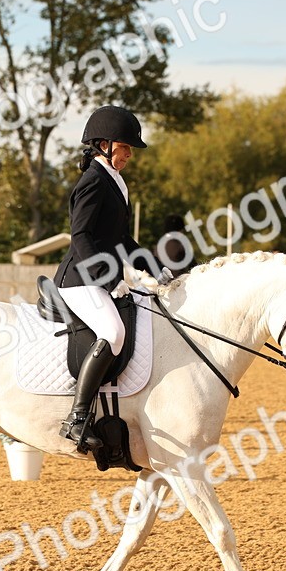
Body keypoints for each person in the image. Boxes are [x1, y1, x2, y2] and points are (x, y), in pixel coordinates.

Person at [52, 106, 167, 452]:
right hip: (79, 279)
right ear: (103, 144)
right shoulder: (93, 182)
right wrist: (106, 277)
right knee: (113, 333)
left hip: (100, 275)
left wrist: (153, 266)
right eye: (125, 147)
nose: (130, 154)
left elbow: (121, 239)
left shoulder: (115, 181)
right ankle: (77, 417)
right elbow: (81, 236)